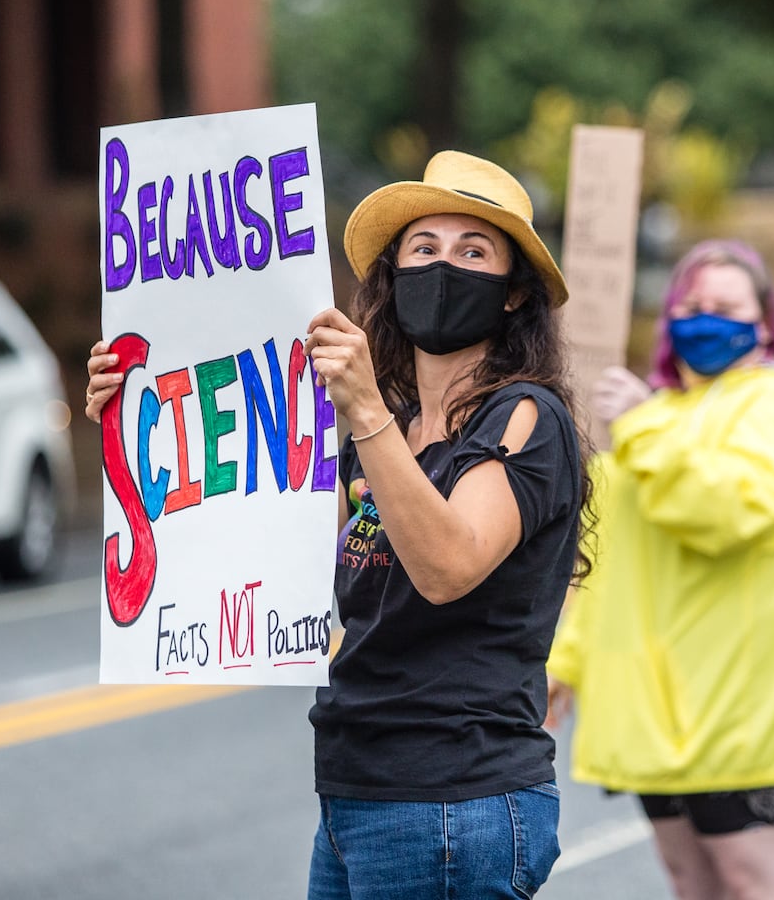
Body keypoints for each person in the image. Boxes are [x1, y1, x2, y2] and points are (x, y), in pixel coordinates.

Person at [86, 150, 594, 900]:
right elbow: (254, 535)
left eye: (472, 251)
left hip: (451, 803)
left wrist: (363, 412)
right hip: (359, 790)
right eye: (422, 249)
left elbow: (449, 565)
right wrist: (135, 416)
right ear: (392, 277)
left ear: (515, 293)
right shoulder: (382, 432)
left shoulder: (524, 417)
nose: (442, 266)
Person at [544, 240, 774, 900]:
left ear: (763, 322)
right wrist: (566, 660)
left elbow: (730, 507)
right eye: (691, 305)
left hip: (738, 702)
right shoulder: (659, 412)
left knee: (754, 882)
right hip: (654, 705)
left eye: (725, 306)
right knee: (692, 882)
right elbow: (611, 560)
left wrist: (644, 427)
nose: (705, 318)